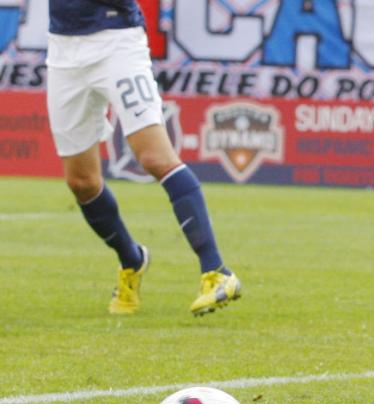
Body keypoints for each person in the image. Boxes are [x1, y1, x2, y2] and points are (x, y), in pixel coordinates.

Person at [46, 0, 241, 316]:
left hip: (115, 41)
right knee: (82, 182)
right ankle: (132, 259)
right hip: (63, 49)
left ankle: (217, 271)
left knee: (154, 157)